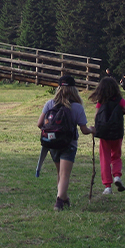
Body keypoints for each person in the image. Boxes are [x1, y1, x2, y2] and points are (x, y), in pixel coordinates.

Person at [37, 75, 94, 211]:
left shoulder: (50, 104)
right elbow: (84, 130)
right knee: (64, 175)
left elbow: (40, 124)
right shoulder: (77, 107)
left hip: (52, 143)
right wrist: (92, 130)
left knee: (60, 173)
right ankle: (59, 202)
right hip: (69, 144)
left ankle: (64, 197)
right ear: (74, 90)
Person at [88, 77, 125, 194]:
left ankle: (107, 186)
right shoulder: (119, 100)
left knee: (105, 159)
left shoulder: (101, 101)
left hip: (104, 133)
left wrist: (95, 128)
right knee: (116, 156)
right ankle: (117, 175)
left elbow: (96, 116)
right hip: (117, 133)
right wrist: (121, 111)